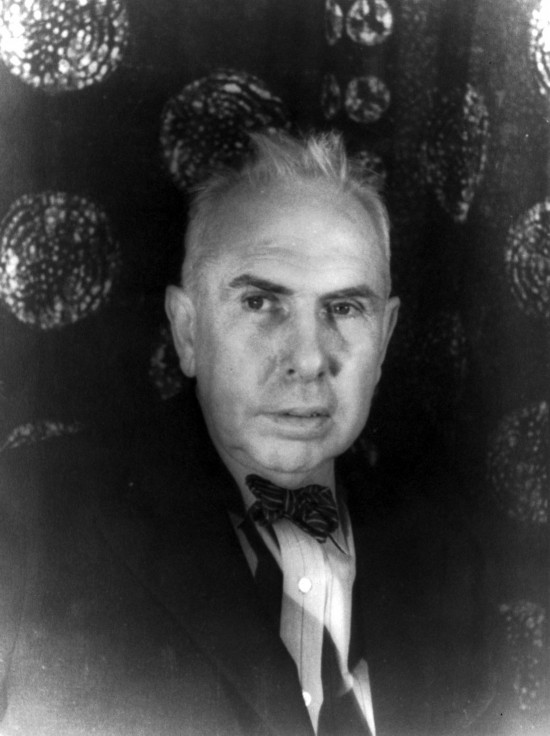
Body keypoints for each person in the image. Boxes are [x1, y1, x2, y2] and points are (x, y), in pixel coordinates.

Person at [0, 132, 490, 736]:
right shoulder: (30, 525)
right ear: (187, 331)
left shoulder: (450, 555)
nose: (308, 359)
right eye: (260, 303)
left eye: (343, 309)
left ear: (385, 339)